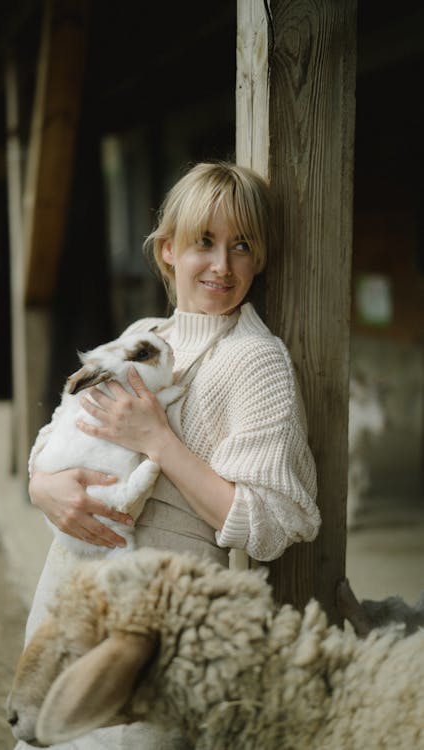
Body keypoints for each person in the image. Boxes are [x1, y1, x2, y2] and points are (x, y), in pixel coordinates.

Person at [17, 161, 321, 750]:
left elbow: (274, 520)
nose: (222, 265)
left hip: (159, 621)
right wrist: (40, 486)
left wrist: (159, 441)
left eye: (242, 247)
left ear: (259, 259)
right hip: (71, 588)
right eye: (204, 242)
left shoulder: (257, 363)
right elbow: (64, 420)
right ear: (167, 251)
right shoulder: (145, 331)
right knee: (40, 732)